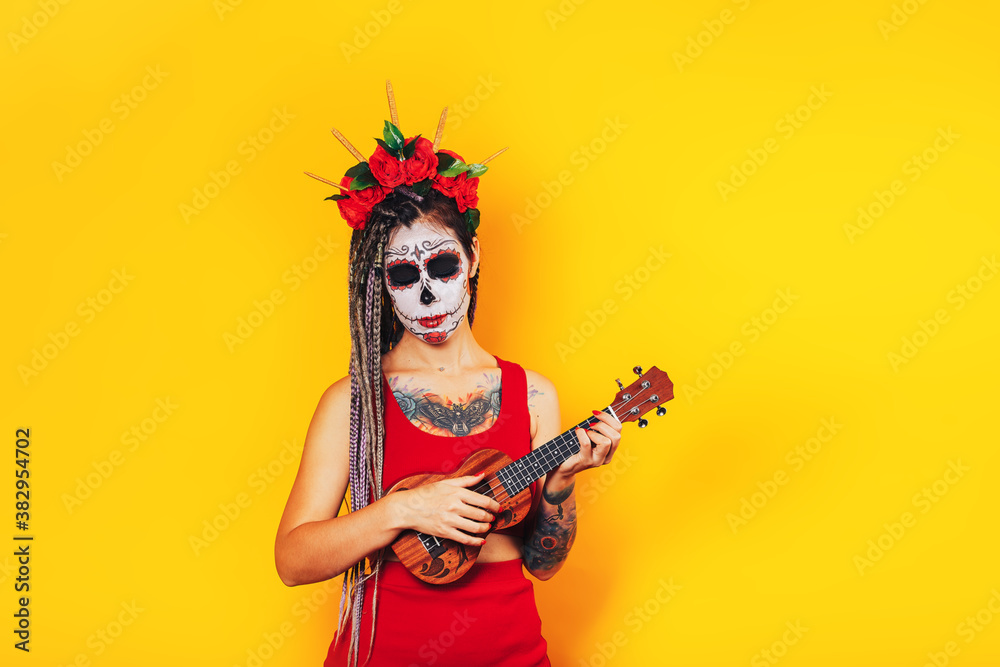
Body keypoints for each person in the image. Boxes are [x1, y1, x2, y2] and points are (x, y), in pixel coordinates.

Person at [274, 81, 623, 667]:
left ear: (473, 258)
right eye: (404, 276)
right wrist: (402, 511)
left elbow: (544, 563)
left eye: (442, 263)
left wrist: (560, 486)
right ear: (380, 286)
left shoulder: (533, 394)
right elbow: (292, 559)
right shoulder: (353, 403)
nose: (428, 291)